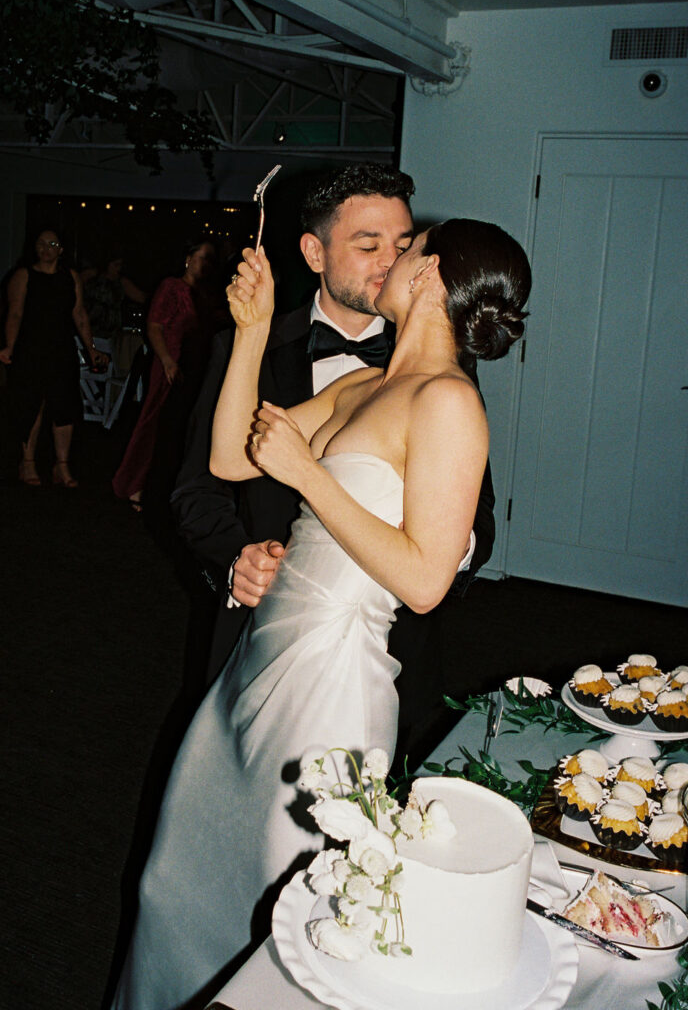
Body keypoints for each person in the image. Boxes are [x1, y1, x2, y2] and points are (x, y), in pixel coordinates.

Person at [109, 217, 531, 1010]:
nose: (389, 258)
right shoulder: (360, 386)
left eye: (404, 248)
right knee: (181, 880)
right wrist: (253, 331)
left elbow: (426, 581)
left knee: (289, 897)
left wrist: (312, 477)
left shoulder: (449, 402)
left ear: (431, 274)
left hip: (334, 678)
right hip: (261, 657)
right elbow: (236, 455)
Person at [171, 164, 495, 753]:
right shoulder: (273, 353)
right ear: (313, 252)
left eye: (401, 246)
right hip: (266, 626)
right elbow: (206, 480)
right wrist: (234, 559)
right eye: (368, 245)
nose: (389, 263)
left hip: (382, 644)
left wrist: (442, 547)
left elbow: (477, 516)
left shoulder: (446, 381)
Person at [112, 238, 215, 511]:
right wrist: (167, 360)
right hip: (169, 363)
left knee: (182, 428)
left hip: (193, 366)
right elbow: (154, 326)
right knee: (154, 421)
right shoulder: (171, 287)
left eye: (209, 259)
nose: (205, 263)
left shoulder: (204, 294)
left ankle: (165, 488)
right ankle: (133, 484)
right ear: (188, 258)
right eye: (201, 257)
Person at [0, 227, 107, 487]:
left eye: (51, 243)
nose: (44, 248)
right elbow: (14, 314)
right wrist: (9, 346)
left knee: (65, 405)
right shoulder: (24, 276)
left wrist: (91, 348)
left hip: (61, 349)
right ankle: (27, 464)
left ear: (61, 249)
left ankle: (62, 466)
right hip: (30, 349)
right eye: (40, 243)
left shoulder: (70, 277)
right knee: (32, 404)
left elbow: (79, 313)